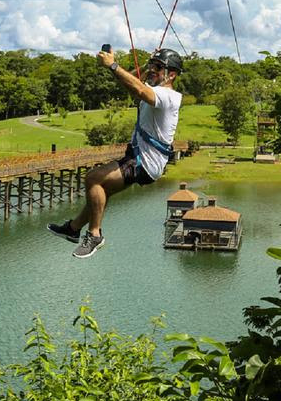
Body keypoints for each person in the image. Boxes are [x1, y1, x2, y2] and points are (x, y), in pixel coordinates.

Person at [47, 47, 183, 258]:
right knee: (101, 191)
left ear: (172, 74)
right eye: (152, 66)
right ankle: (73, 229)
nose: (153, 70)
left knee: (93, 179)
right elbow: (133, 86)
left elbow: (139, 90)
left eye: (158, 68)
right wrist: (141, 67)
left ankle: (94, 235)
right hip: (138, 157)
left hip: (145, 162)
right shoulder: (155, 92)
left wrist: (113, 64)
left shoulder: (169, 97)